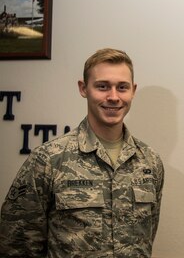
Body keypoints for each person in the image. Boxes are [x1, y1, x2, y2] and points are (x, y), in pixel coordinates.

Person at [0, 48, 164, 257]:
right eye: (102, 86)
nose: (113, 97)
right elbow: (16, 245)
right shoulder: (48, 159)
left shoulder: (150, 162)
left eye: (122, 87)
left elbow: (147, 238)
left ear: (133, 90)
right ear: (83, 88)